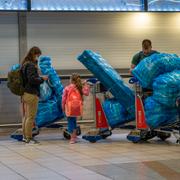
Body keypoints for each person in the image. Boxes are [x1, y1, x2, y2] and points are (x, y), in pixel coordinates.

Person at [21, 46, 48, 144]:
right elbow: (32, 80)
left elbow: (29, 78)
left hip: (25, 93)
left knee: (26, 116)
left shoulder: (24, 64)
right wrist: (42, 79)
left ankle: (24, 137)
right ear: (34, 54)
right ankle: (29, 137)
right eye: (37, 55)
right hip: (32, 93)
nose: (38, 58)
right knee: (31, 117)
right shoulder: (31, 65)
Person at [62, 73, 89, 144]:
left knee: (70, 122)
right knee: (74, 121)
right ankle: (74, 135)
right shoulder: (80, 87)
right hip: (78, 107)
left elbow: (63, 99)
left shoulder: (67, 88)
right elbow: (86, 93)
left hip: (70, 107)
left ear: (71, 80)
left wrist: (63, 107)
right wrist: (85, 85)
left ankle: (72, 138)